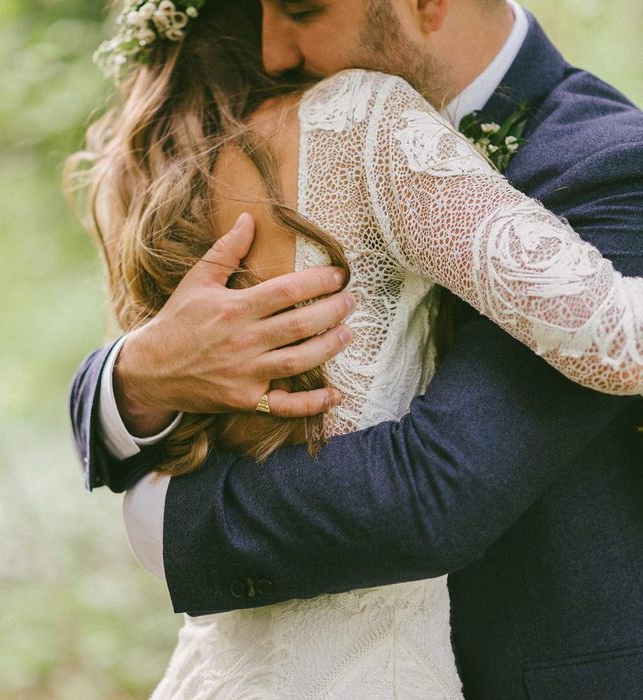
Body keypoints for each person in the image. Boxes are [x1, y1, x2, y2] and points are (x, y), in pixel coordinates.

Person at [69, 0, 643, 697]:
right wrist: (135, 378)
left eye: (301, 10)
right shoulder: (306, 133)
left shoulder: (610, 159)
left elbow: (438, 487)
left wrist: (159, 520)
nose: (273, 50)